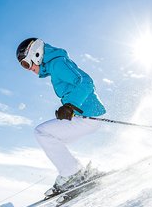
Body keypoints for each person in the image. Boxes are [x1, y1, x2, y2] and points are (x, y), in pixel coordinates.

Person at [16, 38, 106, 196]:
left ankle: (73, 173)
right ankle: (76, 172)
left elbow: (86, 83)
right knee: (52, 140)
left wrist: (70, 105)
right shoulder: (55, 65)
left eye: (27, 64)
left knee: (42, 133)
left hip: (88, 116)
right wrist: (69, 107)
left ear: (36, 54)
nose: (28, 69)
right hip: (85, 116)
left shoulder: (57, 64)